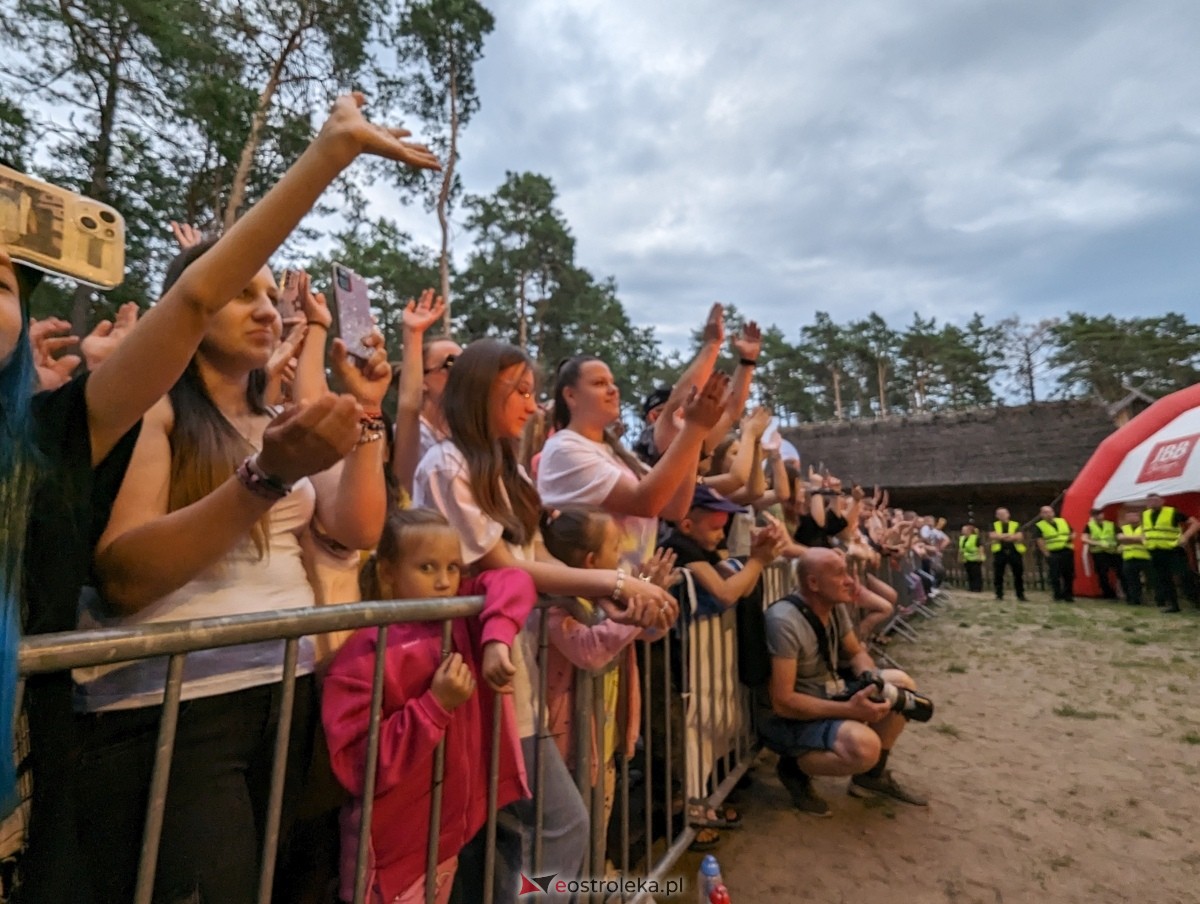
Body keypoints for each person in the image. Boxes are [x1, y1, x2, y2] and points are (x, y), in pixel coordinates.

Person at [1, 93, 440, 903]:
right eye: (247, 292)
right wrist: (262, 480)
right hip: (178, 712)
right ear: (189, 313)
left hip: (285, 693)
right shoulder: (153, 410)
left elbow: (357, 525)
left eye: (273, 296)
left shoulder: (271, 419)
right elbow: (127, 577)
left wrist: (366, 414)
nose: (267, 308)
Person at [411, 339, 682, 900]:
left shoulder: (503, 465)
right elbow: (508, 567)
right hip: (470, 669)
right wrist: (613, 582)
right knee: (559, 823)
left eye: (533, 393)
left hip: (511, 671)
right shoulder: (446, 464)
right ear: (480, 392)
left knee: (509, 838)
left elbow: (536, 560)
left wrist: (608, 600)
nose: (532, 407)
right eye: (520, 393)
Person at [323, 508, 537, 904]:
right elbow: (357, 761)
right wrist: (435, 706)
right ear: (388, 572)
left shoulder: (460, 619)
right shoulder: (365, 654)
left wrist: (496, 638)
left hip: (445, 839)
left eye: (453, 568)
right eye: (426, 567)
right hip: (391, 854)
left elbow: (515, 579)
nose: (444, 582)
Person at [761, 548, 928, 817]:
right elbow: (783, 702)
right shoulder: (784, 621)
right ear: (813, 583)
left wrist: (869, 680)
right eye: (840, 574)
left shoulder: (832, 606)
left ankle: (870, 779)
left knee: (899, 685)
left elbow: (856, 651)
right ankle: (793, 767)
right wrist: (850, 710)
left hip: (829, 692)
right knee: (864, 747)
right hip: (793, 718)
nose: (851, 580)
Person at [539, 507, 674, 833]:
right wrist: (639, 604)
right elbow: (590, 651)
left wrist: (651, 601)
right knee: (573, 828)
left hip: (605, 730)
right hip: (570, 742)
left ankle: (594, 875)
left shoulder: (603, 598)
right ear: (590, 562)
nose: (622, 554)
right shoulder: (556, 606)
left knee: (598, 821)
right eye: (615, 548)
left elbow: (648, 632)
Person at [1141, 494, 1200, 612]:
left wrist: (1186, 537)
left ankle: (1196, 601)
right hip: (1156, 551)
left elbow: (1195, 523)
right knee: (1164, 579)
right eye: (1149, 500)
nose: (1152, 503)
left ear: (1162, 501)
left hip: (1173, 550)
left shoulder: (1173, 512)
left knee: (1185, 576)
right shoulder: (1145, 514)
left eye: (1155, 500)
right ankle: (1173, 605)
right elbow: (1144, 529)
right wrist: (1143, 540)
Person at [1033, 505, 1075, 602]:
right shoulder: (1040, 525)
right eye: (1045, 512)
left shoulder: (1062, 521)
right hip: (1053, 552)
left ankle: (1068, 595)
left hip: (1066, 550)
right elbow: (1040, 541)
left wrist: (1071, 538)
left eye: (1050, 511)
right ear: (1041, 514)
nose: (1048, 514)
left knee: (1068, 574)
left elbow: (1072, 532)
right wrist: (1047, 554)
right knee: (1055, 575)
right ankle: (1057, 595)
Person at [988, 508, 1027, 601]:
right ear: (996, 516)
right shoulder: (993, 525)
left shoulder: (1015, 524)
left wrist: (1001, 536)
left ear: (1008, 514)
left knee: (1018, 574)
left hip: (1015, 551)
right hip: (999, 552)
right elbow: (993, 536)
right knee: (998, 575)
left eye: (1004, 513)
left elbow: (1019, 537)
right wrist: (1009, 536)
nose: (1002, 516)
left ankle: (1020, 595)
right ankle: (999, 595)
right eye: (999, 514)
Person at [1083, 508, 1121, 600]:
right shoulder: (1089, 526)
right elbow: (1084, 539)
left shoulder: (1111, 525)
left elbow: (1119, 536)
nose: (1098, 516)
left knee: (1120, 571)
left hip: (1113, 551)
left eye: (1099, 514)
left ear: (1103, 514)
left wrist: (1120, 546)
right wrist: (1098, 543)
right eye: (1095, 515)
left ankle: (1124, 591)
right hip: (1098, 553)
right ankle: (1108, 593)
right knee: (1102, 574)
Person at [1117, 509, 1150, 606]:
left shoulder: (1145, 527)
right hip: (1129, 557)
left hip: (1145, 557)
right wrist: (1137, 539)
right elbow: (1120, 539)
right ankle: (1135, 600)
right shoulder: (1123, 528)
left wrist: (1128, 539)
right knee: (1131, 580)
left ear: (1138, 517)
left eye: (1133, 516)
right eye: (1129, 516)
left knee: (1152, 580)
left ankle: (1157, 599)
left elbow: (1145, 538)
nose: (1131, 518)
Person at [957, 524, 985, 593]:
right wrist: (960, 557)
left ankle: (977, 588)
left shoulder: (975, 538)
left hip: (975, 559)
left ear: (969, 531)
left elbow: (980, 547)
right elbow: (961, 549)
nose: (962, 531)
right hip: (967, 559)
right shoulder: (962, 538)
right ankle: (971, 587)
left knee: (976, 574)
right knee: (969, 574)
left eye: (964, 530)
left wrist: (980, 556)